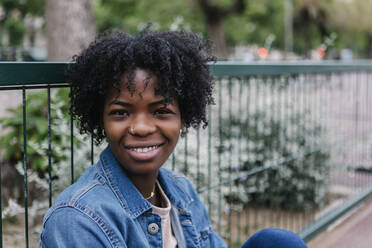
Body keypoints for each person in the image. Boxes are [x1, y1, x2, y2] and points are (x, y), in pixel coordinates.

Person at [40, 29, 307, 248]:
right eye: (121, 112)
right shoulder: (78, 219)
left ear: (183, 118)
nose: (142, 128)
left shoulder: (181, 192)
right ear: (101, 120)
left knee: (277, 243)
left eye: (161, 111)